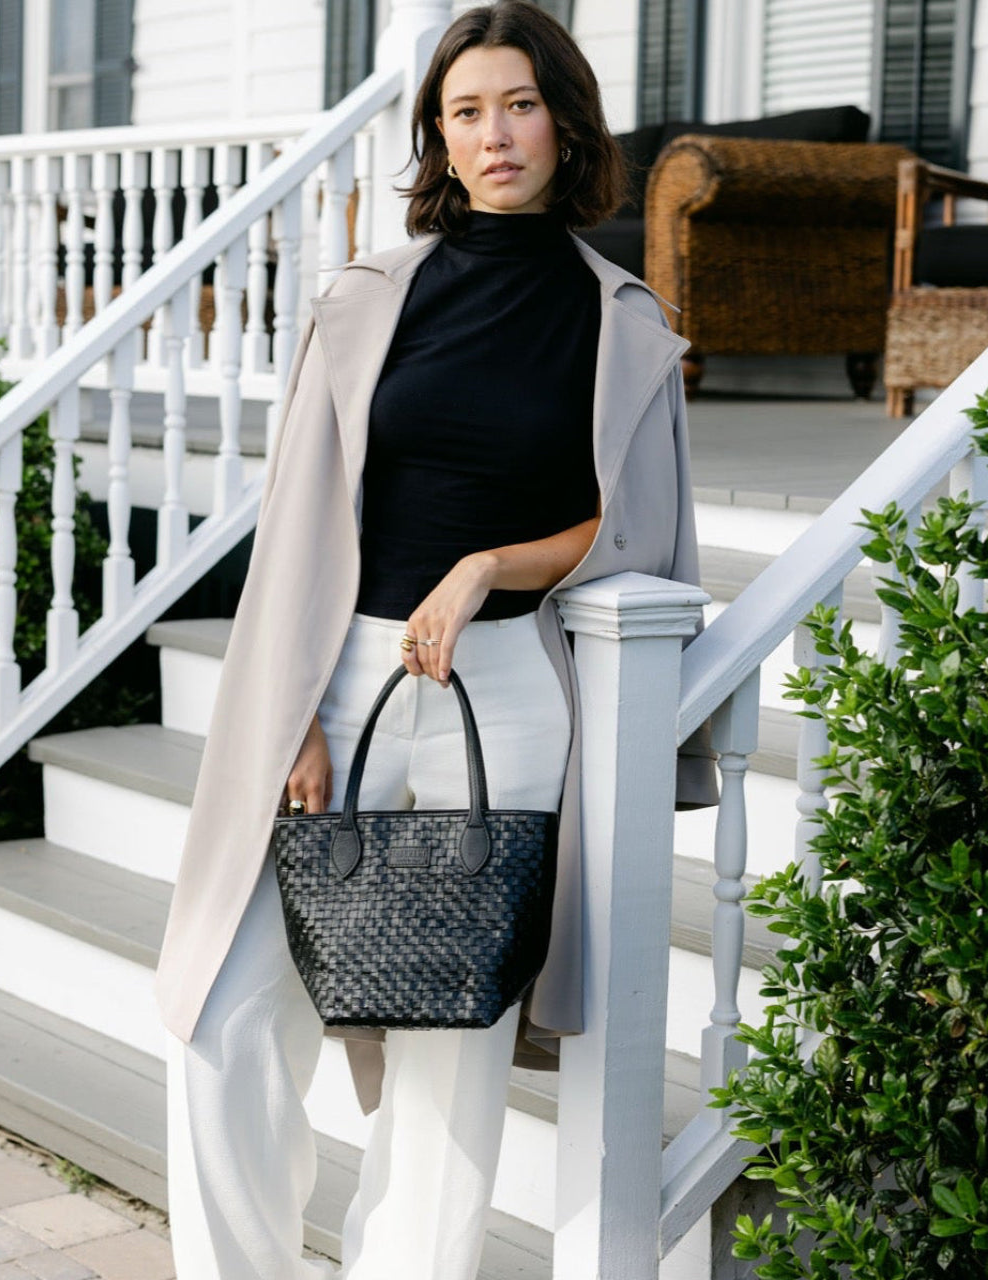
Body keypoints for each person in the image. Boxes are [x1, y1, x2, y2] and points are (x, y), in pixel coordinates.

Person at [155, 3, 717, 1277]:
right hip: (338, 676)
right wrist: (295, 705)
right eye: (464, 111)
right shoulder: (367, 296)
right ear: (438, 139)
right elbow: (296, 523)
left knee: (446, 1062)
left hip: (509, 693)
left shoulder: (617, 319)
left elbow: (626, 525)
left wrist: (484, 568)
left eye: (516, 104)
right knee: (222, 1015)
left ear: (565, 126)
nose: (493, 132)